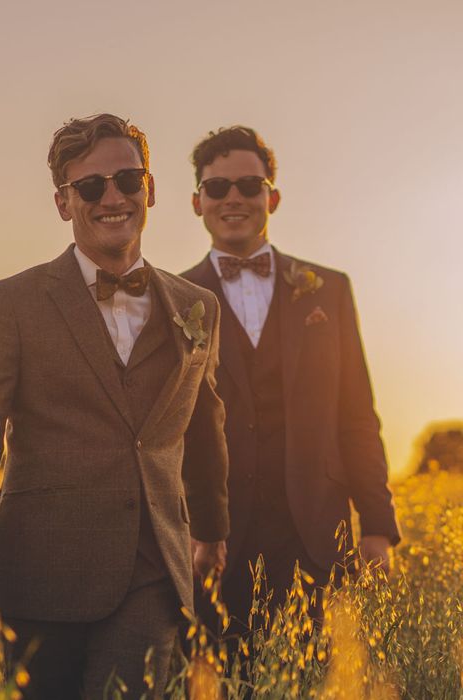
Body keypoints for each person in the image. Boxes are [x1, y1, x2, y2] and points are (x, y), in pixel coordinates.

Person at [0, 113, 230, 699]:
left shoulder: (198, 307)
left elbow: (204, 420)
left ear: (152, 189)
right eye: (91, 186)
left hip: (151, 573)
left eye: (127, 180)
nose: (112, 197)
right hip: (39, 572)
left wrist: (212, 530)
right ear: (64, 202)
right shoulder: (11, 303)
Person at [181, 126, 401, 637]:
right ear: (197, 202)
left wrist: (377, 527)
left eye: (249, 186)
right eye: (217, 188)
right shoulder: (173, 296)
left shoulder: (331, 290)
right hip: (211, 545)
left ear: (271, 197)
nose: (233, 197)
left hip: (317, 536)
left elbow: (357, 414)